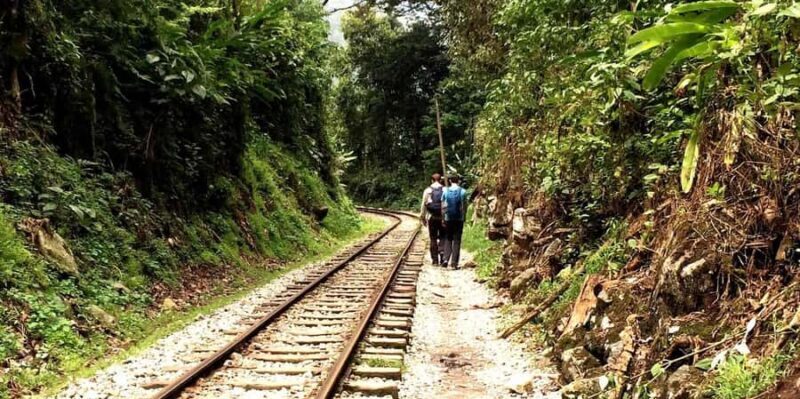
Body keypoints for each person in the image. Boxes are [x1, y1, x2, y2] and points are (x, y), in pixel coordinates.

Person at [441, 175, 467, 268]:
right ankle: (454, 263)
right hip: (459, 219)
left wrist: (443, 218)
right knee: (457, 240)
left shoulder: (445, 191)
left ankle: (445, 259)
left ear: (450, 181)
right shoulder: (463, 192)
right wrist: (464, 217)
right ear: (459, 181)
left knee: (448, 239)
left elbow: (443, 206)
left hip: (448, 218)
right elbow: (464, 207)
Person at [420, 173, 445, 265]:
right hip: (443, 217)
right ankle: (443, 257)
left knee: (433, 238)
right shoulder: (445, 190)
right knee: (443, 237)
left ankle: (435, 260)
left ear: (431, 180)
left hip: (432, 217)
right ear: (441, 180)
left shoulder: (427, 190)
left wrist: (422, 217)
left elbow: (423, 205)